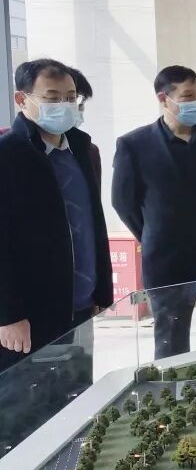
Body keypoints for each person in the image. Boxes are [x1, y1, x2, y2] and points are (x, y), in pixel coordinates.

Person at [112, 65, 196, 359]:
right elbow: (123, 202)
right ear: (164, 99)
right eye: (188, 96)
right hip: (167, 259)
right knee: (171, 342)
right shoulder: (134, 145)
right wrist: (154, 232)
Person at [0, 59, 113, 370]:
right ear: (21, 99)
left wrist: (101, 291)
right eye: (52, 98)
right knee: (29, 395)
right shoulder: (7, 156)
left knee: (78, 389)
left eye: (70, 97)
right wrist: (7, 315)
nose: (64, 105)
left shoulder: (84, 151)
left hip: (81, 305)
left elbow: (93, 224)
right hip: (29, 314)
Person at [0, 67, 99, 185]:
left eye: (72, 99)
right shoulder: (8, 150)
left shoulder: (88, 150)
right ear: (22, 100)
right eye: (53, 98)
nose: (66, 108)